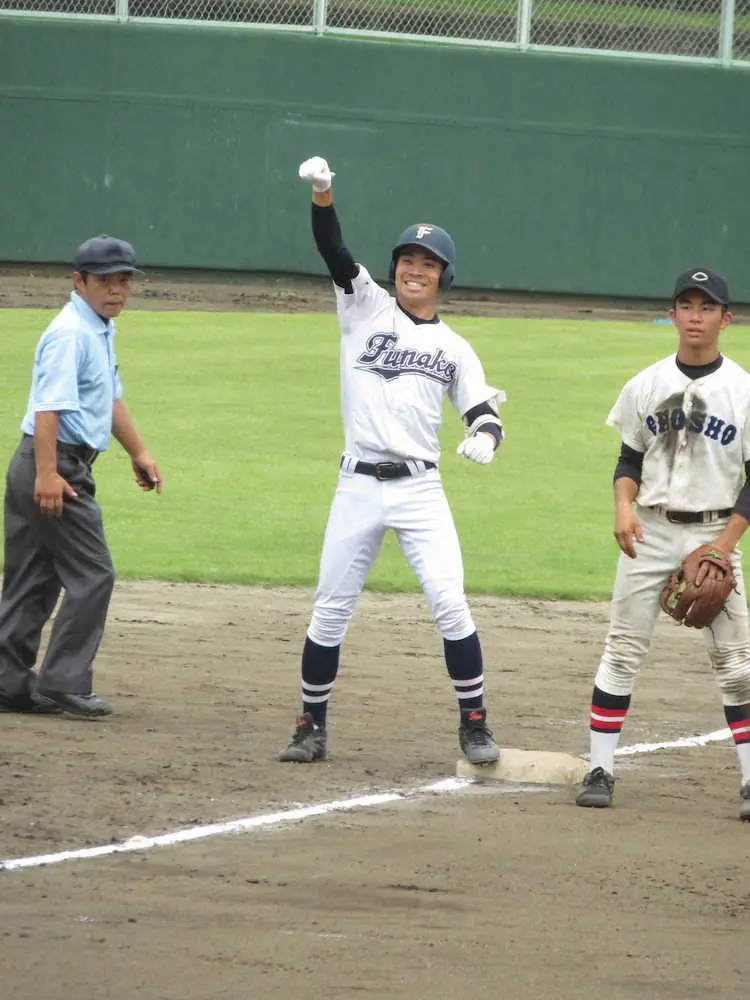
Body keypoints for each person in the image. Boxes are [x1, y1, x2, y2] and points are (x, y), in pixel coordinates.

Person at [278, 155, 506, 766]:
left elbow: (483, 411)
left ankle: (476, 724)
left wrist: (484, 438)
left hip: (420, 490)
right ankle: (310, 727)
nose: (414, 270)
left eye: (427, 264)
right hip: (357, 484)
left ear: (443, 276)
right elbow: (334, 250)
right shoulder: (363, 305)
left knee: (450, 601)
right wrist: (323, 195)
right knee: (330, 609)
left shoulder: (454, 347)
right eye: (407, 260)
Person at [576, 268, 750, 821]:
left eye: (707, 307)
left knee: (737, 662)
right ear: (672, 314)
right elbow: (629, 458)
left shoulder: (743, 390)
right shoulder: (645, 384)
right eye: (686, 305)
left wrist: (722, 546)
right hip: (649, 530)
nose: (695, 315)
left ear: (726, 318)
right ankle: (599, 768)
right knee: (623, 649)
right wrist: (622, 506)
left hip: (714, 530)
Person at [0, 235, 163, 718]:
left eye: (123, 281)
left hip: (44, 462)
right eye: (105, 281)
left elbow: (109, 399)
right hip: (55, 465)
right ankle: (63, 681)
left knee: (32, 576)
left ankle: (8, 683)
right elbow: (48, 407)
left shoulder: (96, 327)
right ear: (79, 281)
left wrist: (138, 451)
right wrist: (48, 475)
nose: (116, 291)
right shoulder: (71, 332)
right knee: (93, 574)